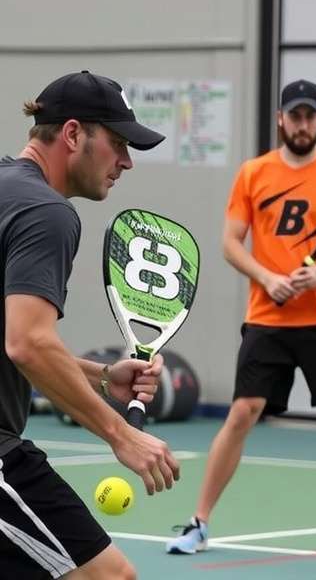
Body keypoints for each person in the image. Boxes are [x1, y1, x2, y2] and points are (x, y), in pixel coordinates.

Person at [166, 80, 316, 561]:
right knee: (242, 413)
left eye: (310, 116)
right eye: (294, 116)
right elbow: (231, 241)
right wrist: (266, 276)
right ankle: (198, 523)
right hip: (267, 319)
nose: (302, 124)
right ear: (281, 119)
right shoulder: (253, 173)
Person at [0, 71, 180, 579]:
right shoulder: (46, 211)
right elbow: (28, 343)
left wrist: (101, 377)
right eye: (118, 143)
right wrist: (120, 433)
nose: (126, 161)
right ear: (74, 134)